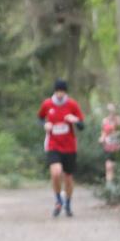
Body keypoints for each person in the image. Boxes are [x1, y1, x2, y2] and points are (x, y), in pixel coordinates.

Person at [37, 79, 84, 217]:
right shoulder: (47, 104)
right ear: (54, 91)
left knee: (68, 178)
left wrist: (75, 120)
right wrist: (44, 125)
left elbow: (82, 125)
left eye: (62, 92)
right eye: (58, 91)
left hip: (69, 147)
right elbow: (39, 118)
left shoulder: (72, 104)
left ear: (65, 92)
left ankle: (68, 204)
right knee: (56, 173)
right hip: (53, 145)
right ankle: (58, 200)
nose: (60, 94)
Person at [99, 103, 120, 185]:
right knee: (108, 167)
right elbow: (103, 132)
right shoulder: (105, 120)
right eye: (109, 110)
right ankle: (109, 186)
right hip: (108, 146)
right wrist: (102, 138)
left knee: (117, 167)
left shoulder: (119, 119)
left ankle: (119, 185)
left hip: (118, 146)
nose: (111, 112)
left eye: (112, 110)